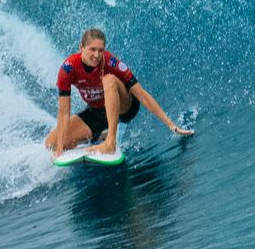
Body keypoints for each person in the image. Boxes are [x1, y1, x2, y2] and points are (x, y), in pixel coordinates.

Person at [45, 27, 194, 158]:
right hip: (99, 112)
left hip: (125, 106)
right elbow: (64, 112)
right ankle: (98, 135)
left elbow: (142, 94)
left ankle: (110, 141)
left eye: (101, 50)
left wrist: (171, 125)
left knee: (108, 80)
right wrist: (59, 147)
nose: (97, 55)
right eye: (92, 49)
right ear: (81, 47)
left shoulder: (111, 63)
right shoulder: (68, 69)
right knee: (51, 143)